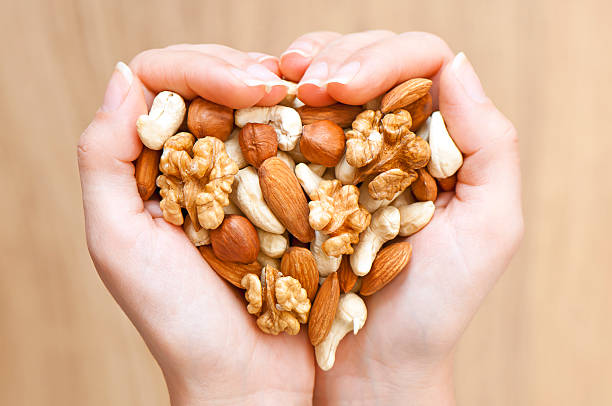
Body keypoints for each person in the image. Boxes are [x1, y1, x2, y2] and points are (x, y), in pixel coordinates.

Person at [77, 30, 523, 405]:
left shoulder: (325, 210)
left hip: (322, 225)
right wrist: (230, 390)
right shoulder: (267, 196)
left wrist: (392, 383)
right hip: (304, 226)